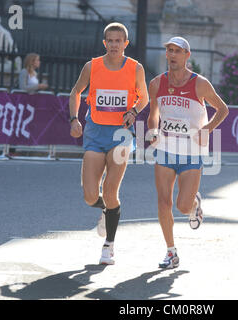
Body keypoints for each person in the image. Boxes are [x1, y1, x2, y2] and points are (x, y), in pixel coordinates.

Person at [69, 22, 149, 265]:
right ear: (105, 43)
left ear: (126, 43)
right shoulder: (91, 66)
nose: (114, 45)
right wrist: (74, 119)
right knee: (90, 196)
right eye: (110, 41)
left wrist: (134, 111)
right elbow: (75, 92)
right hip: (94, 132)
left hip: (121, 135)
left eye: (119, 41)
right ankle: (107, 210)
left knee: (112, 190)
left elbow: (144, 97)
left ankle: (109, 245)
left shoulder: (135, 68)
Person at [147, 36, 229, 269]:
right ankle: (171, 252)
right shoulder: (156, 84)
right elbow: (153, 114)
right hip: (165, 149)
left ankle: (194, 205)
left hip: (192, 152)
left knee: (182, 206)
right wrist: (153, 129)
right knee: (164, 203)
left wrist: (208, 128)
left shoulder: (200, 83)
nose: (172, 55)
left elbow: (223, 109)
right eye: (169, 51)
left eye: (177, 51)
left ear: (186, 56)